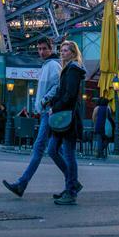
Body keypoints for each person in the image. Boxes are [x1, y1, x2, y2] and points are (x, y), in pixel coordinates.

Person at [3, 37, 70, 198]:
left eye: (44, 49)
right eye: (39, 49)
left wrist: (44, 100)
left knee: (39, 148)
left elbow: (58, 86)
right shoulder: (48, 65)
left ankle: (21, 184)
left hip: (49, 112)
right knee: (54, 150)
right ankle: (72, 180)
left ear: (51, 48)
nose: (41, 52)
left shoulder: (53, 65)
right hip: (46, 112)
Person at [47, 39, 86, 205]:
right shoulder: (69, 69)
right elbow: (65, 93)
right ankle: (72, 183)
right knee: (53, 150)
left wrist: (55, 107)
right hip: (64, 116)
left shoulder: (73, 69)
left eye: (66, 50)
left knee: (68, 155)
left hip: (67, 117)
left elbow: (69, 95)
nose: (62, 53)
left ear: (73, 53)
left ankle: (71, 191)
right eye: (61, 50)